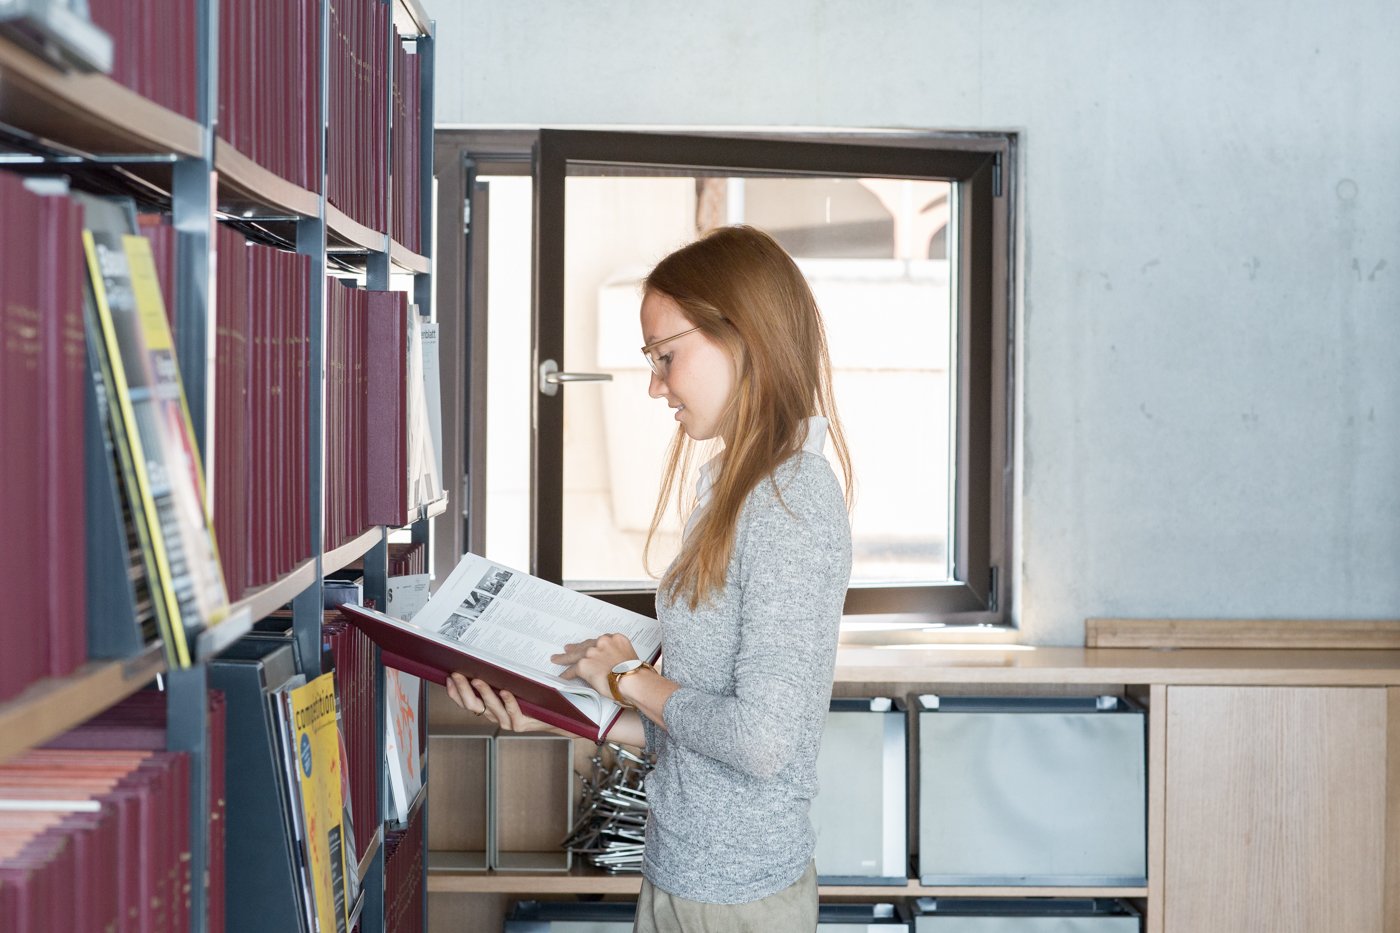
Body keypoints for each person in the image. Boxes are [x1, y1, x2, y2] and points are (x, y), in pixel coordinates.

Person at [445, 224, 853, 932]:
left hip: (736, 902)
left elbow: (761, 740)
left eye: (666, 356)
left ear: (741, 336)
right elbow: (690, 733)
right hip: (683, 878)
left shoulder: (794, 499)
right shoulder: (737, 486)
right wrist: (551, 707)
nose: (654, 384)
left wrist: (630, 675)